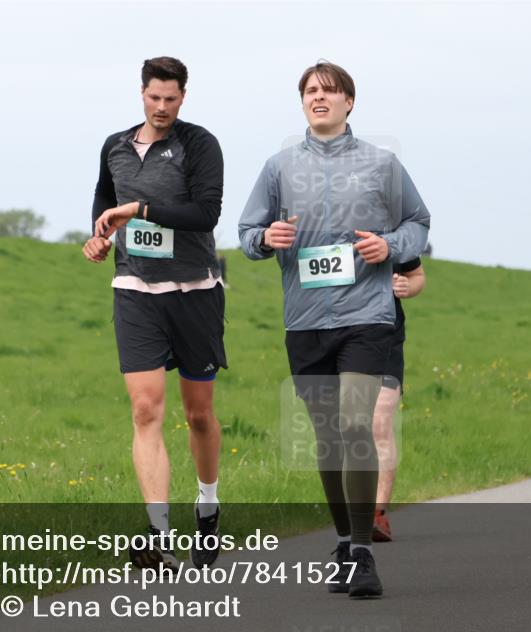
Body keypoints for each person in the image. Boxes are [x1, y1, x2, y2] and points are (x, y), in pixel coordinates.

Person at [238, 61, 430, 598]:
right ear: (302, 102)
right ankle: (344, 543)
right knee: (326, 439)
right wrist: (264, 239)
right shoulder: (278, 168)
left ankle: (365, 555)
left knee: (353, 426)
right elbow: (247, 231)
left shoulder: (382, 163)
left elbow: (418, 222)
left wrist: (390, 247)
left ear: (349, 102)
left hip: (366, 316)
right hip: (304, 320)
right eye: (309, 91)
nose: (318, 97)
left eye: (329, 90)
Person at [82, 56, 226, 569]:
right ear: (141, 93)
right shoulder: (115, 146)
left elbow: (205, 214)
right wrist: (99, 237)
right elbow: (105, 198)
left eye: (171, 99)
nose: (161, 107)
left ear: (183, 97)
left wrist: (139, 210)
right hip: (135, 290)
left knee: (198, 414)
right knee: (145, 410)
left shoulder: (199, 144)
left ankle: (207, 507)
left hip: (194, 291)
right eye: (154, 97)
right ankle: (157, 534)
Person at [372, 259, 426, 542]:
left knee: (379, 424)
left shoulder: (392, 228)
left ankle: (377, 513)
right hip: (333, 334)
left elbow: (417, 275)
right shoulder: (320, 224)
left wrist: (408, 286)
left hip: (385, 333)